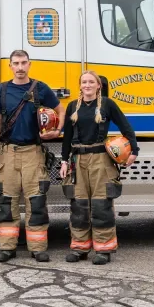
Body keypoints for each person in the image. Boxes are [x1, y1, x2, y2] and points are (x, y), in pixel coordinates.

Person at [0, 50, 66, 263]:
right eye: (16, 63)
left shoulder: (40, 88)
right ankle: (7, 248)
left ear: (30, 64)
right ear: (10, 66)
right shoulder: (2, 91)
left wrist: (58, 131)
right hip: (7, 153)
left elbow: (61, 109)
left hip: (33, 152)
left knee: (37, 201)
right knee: (6, 202)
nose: (20, 67)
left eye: (23, 63)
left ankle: (38, 248)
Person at [58, 71, 138, 265]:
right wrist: (64, 161)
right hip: (78, 161)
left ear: (98, 86)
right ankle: (79, 248)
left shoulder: (108, 105)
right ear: (80, 86)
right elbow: (67, 137)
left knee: (101, 206)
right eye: (84, 82)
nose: (87, 85)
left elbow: (126, 128)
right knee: (79, 206)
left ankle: (104, 250)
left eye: (91, 82)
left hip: (101, 160)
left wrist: (134, 150)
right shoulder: (72, 107)